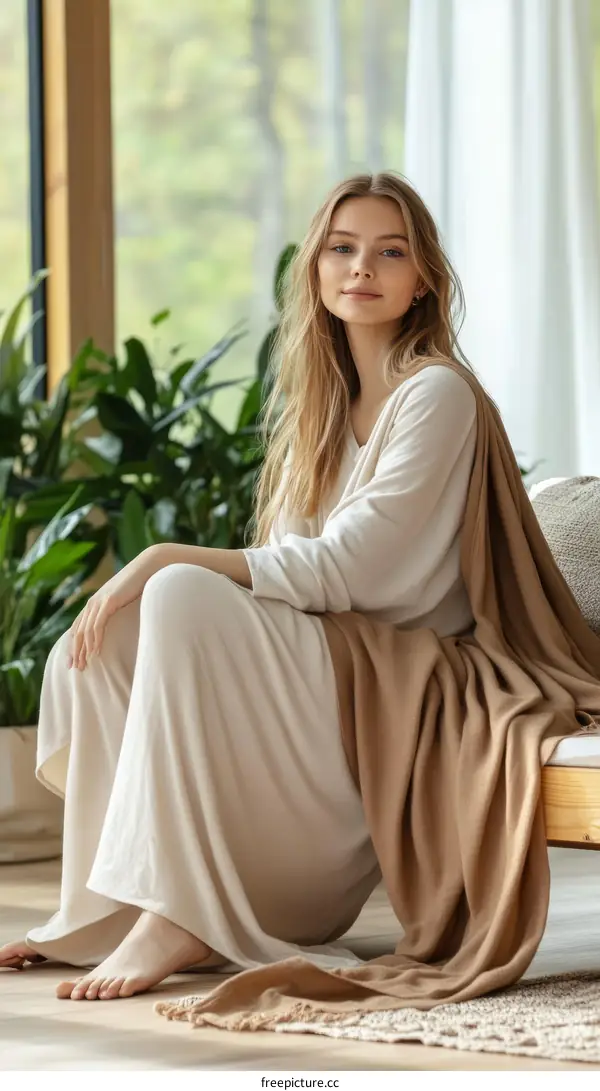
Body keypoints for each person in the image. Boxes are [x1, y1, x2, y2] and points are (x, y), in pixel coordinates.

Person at [0, 171, 479, 1001]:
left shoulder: (437, 394)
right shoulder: (317, 416)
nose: (361, 267)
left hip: (376, 703)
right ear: (316, 269)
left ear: (423, 278)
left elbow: (347, 572)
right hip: (310, 696)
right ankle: (110, 907)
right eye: (342, 247)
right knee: (108, 632)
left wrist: (158, 559)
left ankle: (179, 915)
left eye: (389, 251)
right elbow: (291, 581)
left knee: (176, 591)